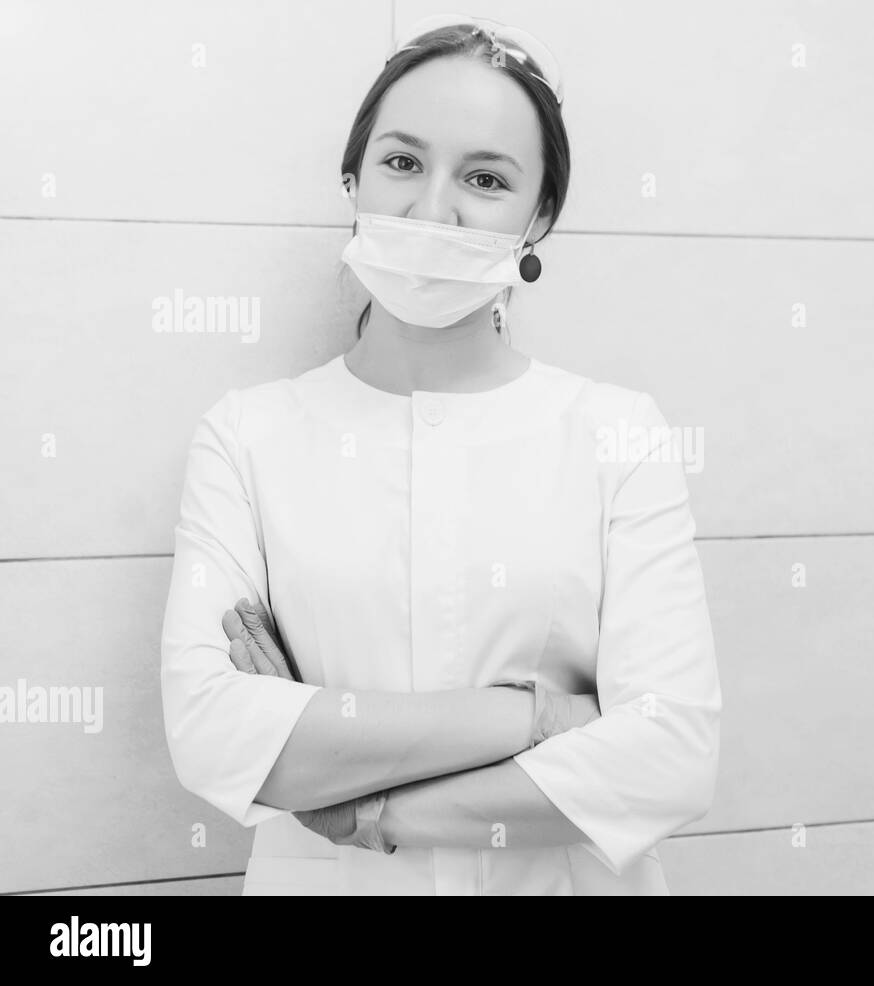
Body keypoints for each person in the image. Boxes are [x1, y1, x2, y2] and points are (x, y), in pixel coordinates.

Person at [159, 15, 722, 895]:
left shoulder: (618, 431)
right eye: (402, 162)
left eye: (485, 179)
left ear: (538, 217)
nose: (432, 209)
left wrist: (364, 806)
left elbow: (671, 757)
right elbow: (212, 732)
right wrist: (538, 717)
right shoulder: (246, 437)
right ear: (352, 180)